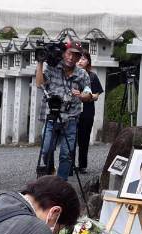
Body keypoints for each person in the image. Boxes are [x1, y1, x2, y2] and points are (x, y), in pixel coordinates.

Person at [34, 40, 92, 179]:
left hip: (71, 118)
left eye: (76, 56)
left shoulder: (82, 74)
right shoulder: (53, 68)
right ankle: (49, 174)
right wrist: (40, 63)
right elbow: (39, 84)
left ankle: (61, 183)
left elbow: (88, 93)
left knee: (67, 154)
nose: (71, 58)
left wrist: (83, 95)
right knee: (46, 149)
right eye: (69, 54)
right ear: (63, 53)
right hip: (52, 116)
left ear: (79, 58)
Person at [75, 51, 104, 173]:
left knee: (84, 138)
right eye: (79, 59)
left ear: (88, 61)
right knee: (71, 138)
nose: (80, 61)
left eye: (83, 59)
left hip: (87, 110)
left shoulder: (92, 76)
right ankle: (69, 165)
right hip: (73, 110)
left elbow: (97, 95)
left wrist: (87, 96)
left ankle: (82, 165)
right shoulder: (72, 75)